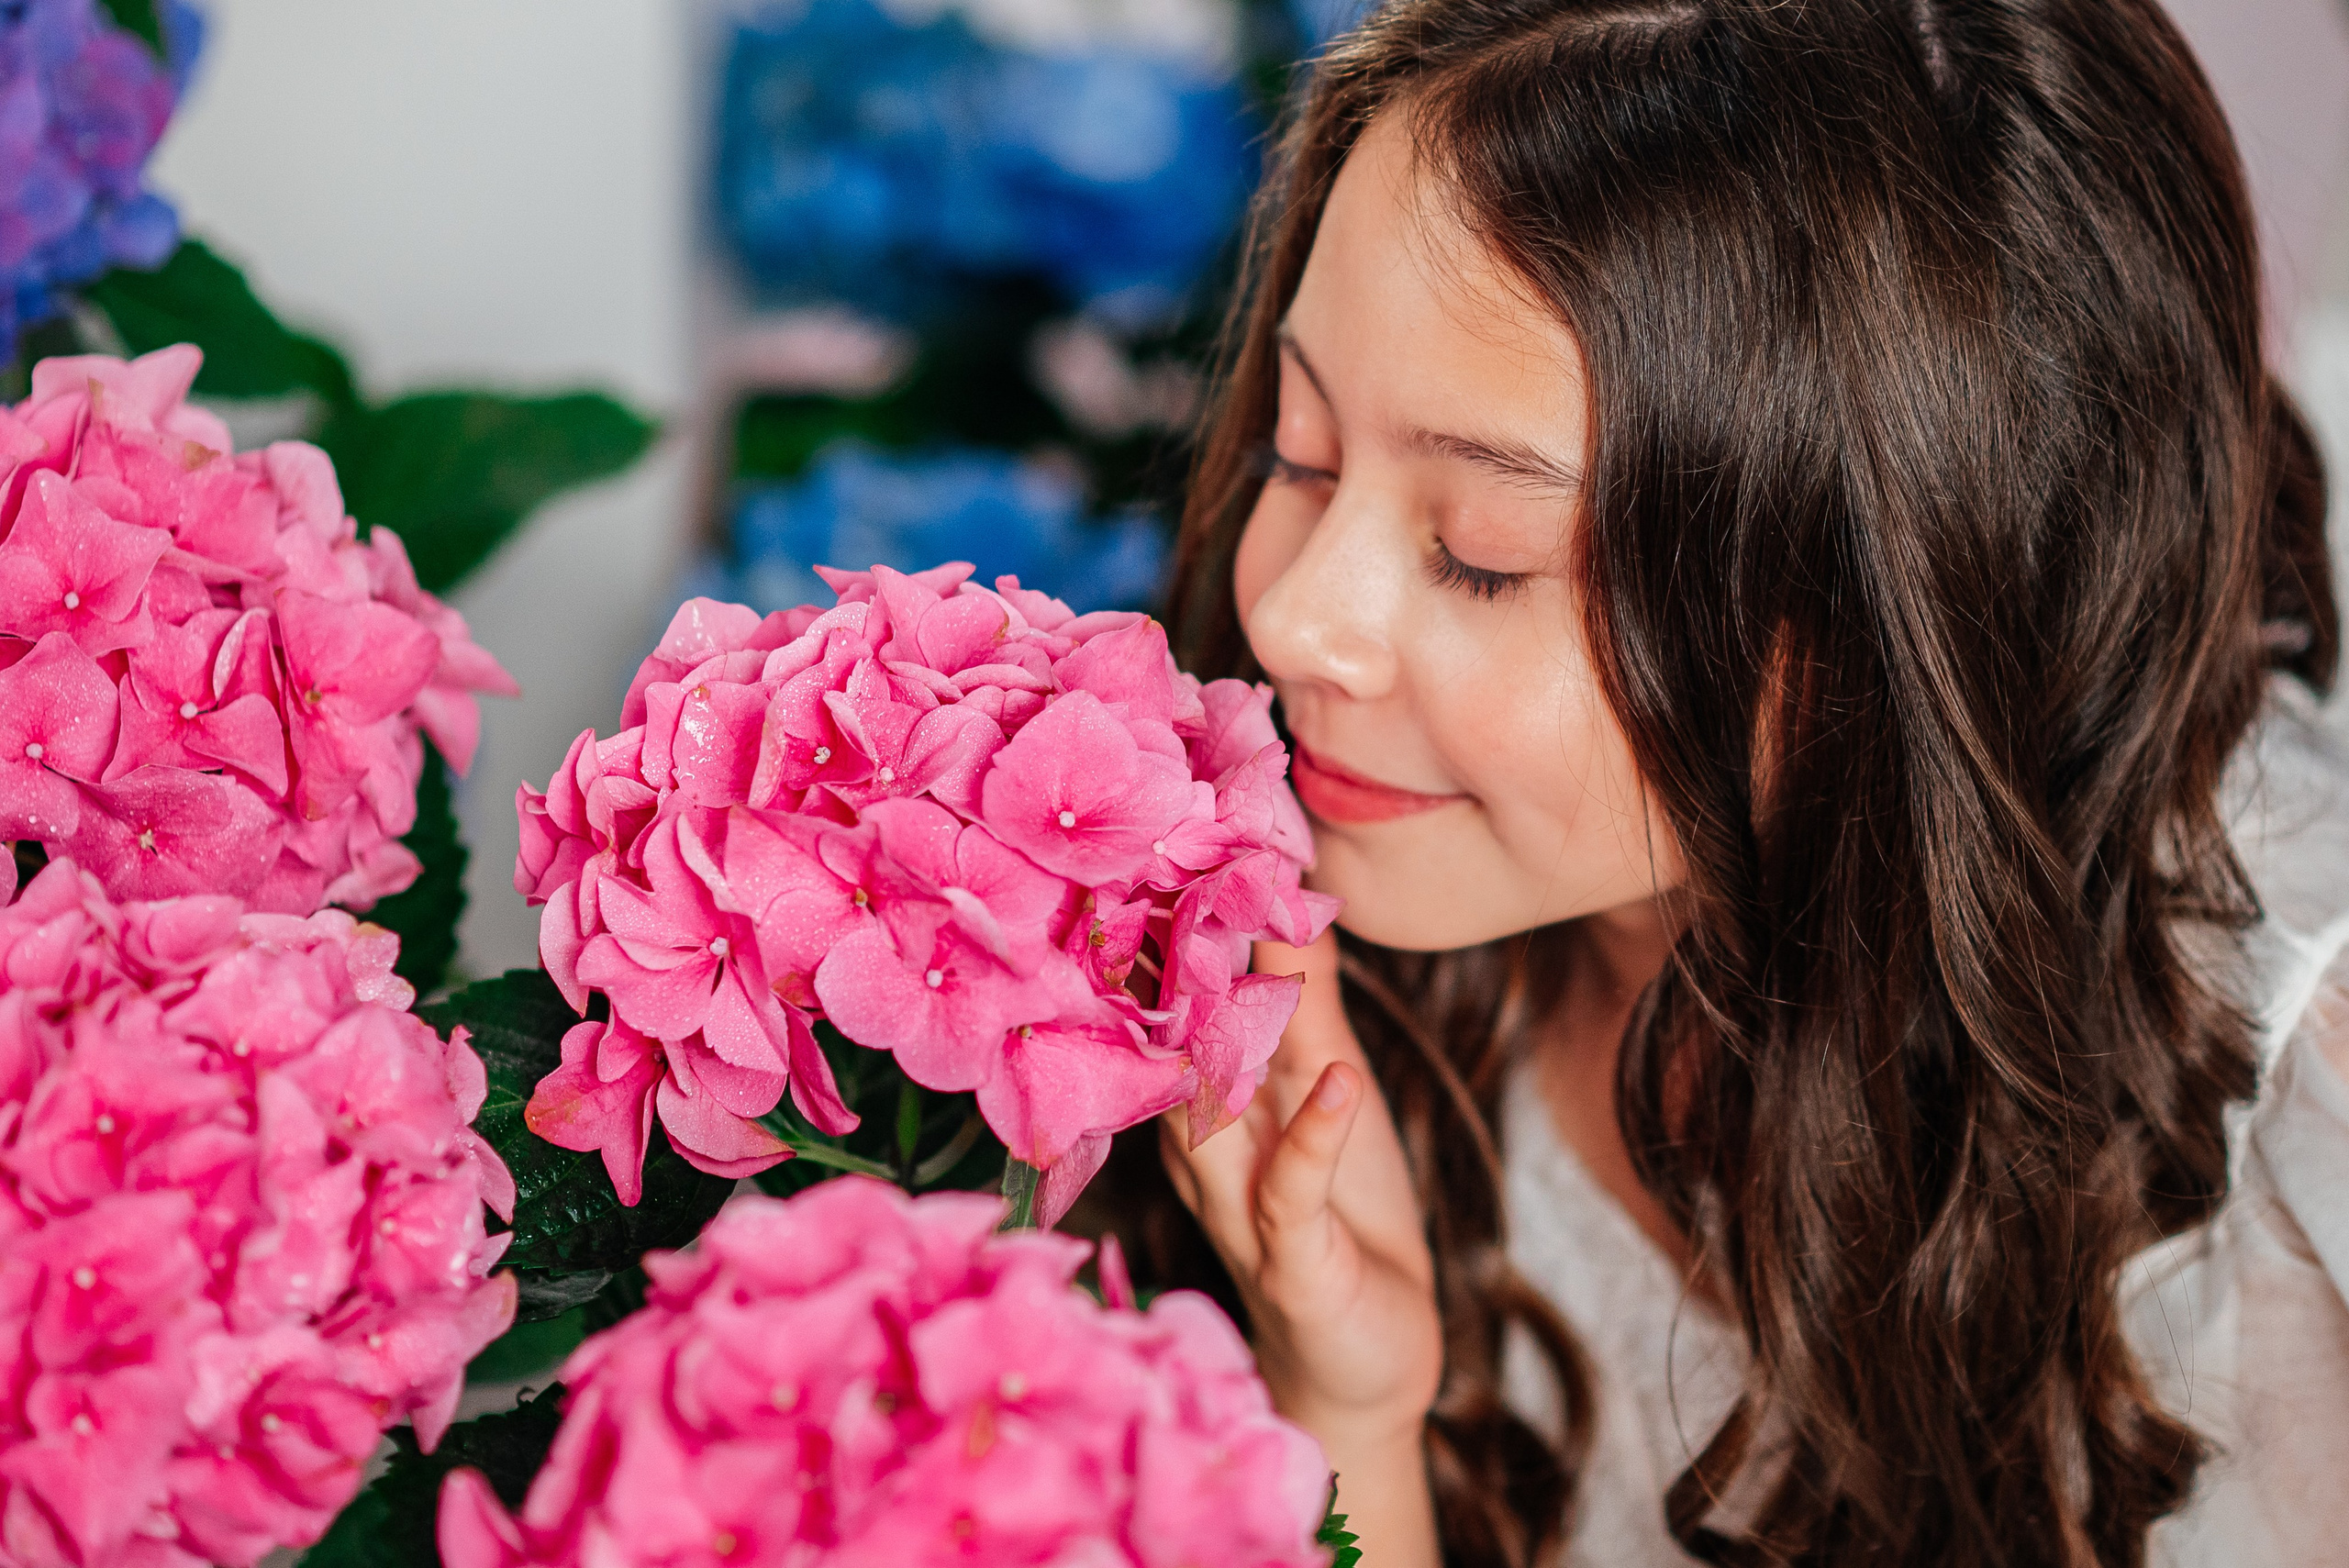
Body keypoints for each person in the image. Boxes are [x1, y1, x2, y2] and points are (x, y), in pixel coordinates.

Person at [1108, 2, 2349, 1565]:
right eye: (1301, 450)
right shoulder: (1348, 993)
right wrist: (1348, 1413)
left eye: (1481, 557)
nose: (1292, 617)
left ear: (1898, 619)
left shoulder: (2298, 1145)